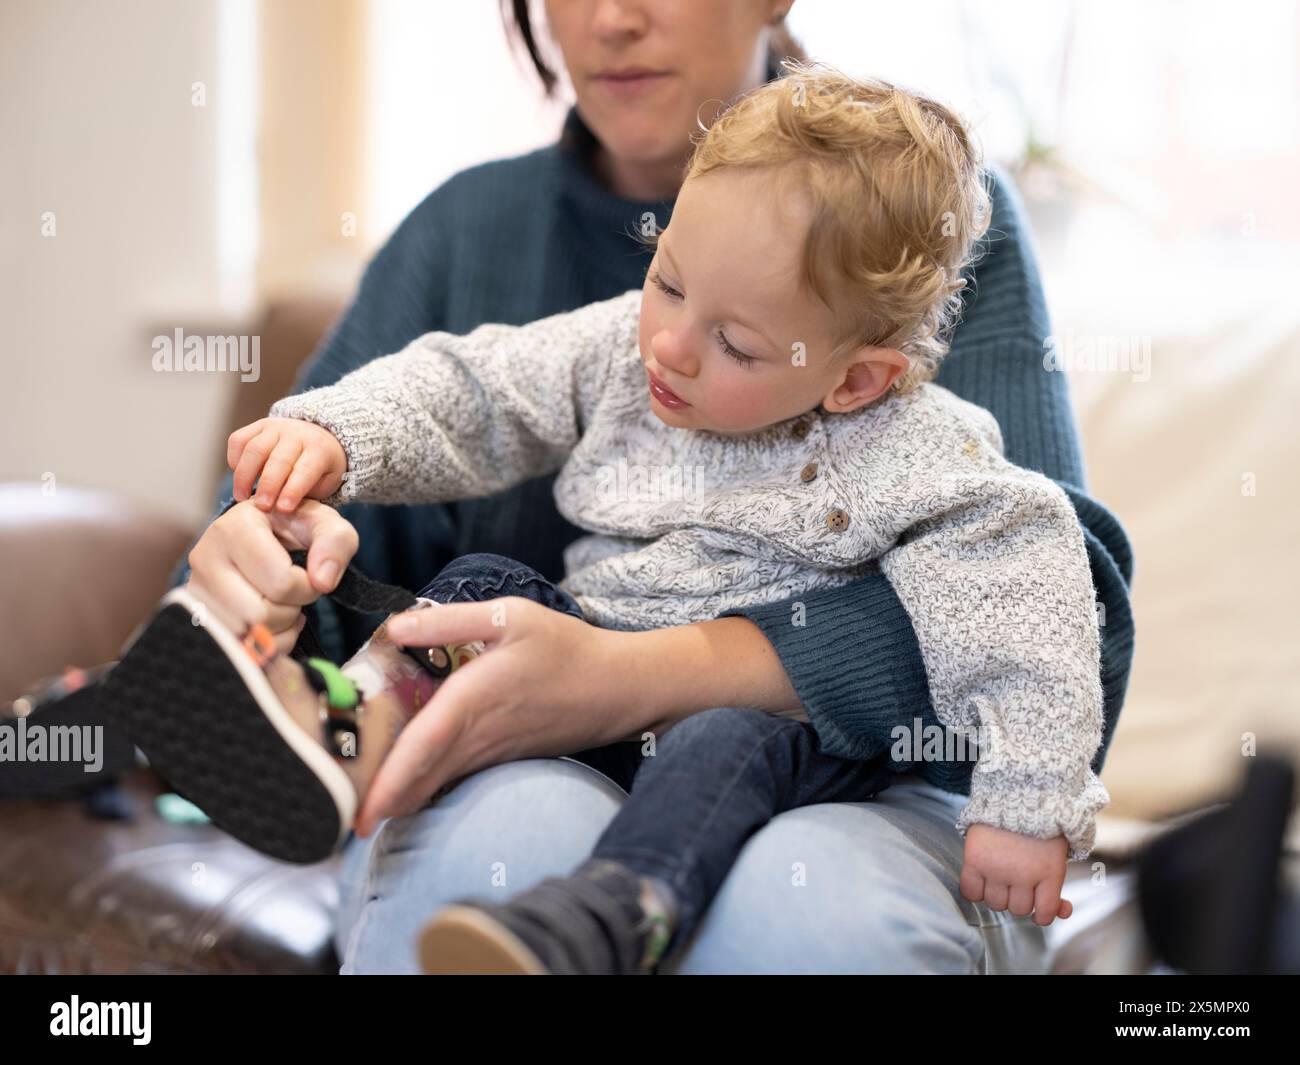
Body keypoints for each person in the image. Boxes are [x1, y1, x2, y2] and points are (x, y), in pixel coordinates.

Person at [179, 0, 1134, 974]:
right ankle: (347, 730)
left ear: (857, 378)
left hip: (788, 751)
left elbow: (1040, 601)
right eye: (665, 283)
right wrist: (310, 464)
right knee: (482, 601)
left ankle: (616, 906)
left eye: (736, 341)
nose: (609, 18)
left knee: (763, 824)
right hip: (559, 710)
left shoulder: (911, 303)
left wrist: (1024, 804)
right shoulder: (559, 299)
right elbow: (474, 391)